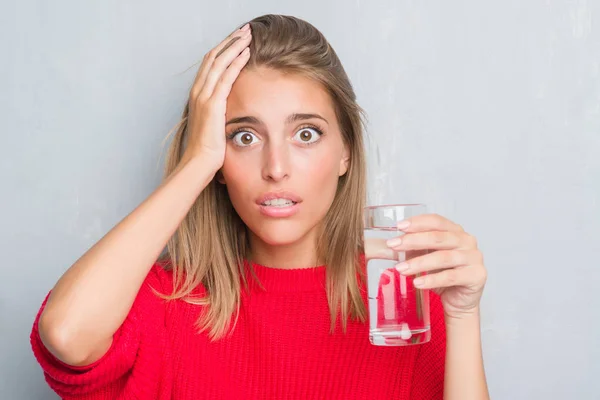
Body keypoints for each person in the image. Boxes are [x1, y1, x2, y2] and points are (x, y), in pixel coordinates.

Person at [30, 14, 489, 400]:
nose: (275, 168)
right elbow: (66, 335)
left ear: (346, 150)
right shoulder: (167, 304)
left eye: (305, 133)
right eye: (244, 137)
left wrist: (464, 317)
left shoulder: (402, 309)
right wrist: (196, 163)